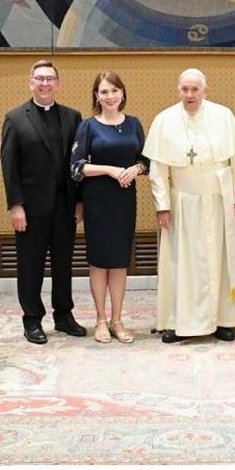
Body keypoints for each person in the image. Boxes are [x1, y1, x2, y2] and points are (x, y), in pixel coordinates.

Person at [143, 69, 235, 341]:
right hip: (182, 204)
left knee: (221, 258)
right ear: (178, 89)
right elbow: (158, 170)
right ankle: (177, 321)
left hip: (220, 200)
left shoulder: (223, 116)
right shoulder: (164, 120)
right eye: (184, 89)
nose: (189, 95)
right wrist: (162, 205)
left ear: (205, 90)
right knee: (181, 262)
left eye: (195, 89)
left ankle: (223, 319)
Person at [1, 60, 86, 344]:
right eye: (40, 79)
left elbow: (79, 163)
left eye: (50, 79)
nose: (45, 83)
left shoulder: (73, 117)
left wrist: (80, 202)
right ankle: (32, 319)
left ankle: (64, 316)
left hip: (65, 207)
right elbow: (9, 165)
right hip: (30, 209)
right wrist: (15, 205)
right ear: (30, 82)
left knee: (64, 264)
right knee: (30, 266)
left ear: (58, 83)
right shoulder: (15, 118)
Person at [71, 71, 147, 343]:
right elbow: (76, 167)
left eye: (114, 91)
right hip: (98, 200)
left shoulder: (134, 123)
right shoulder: (88, 126)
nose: (110, 96)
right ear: (96, 96)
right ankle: (100, 319)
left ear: (122, 93)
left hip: (125, 201)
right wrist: (111, 170)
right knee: (99, 262)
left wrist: (135, 169)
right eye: (104, 92)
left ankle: (117, 320)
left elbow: (146, 160)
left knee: (119, 262)